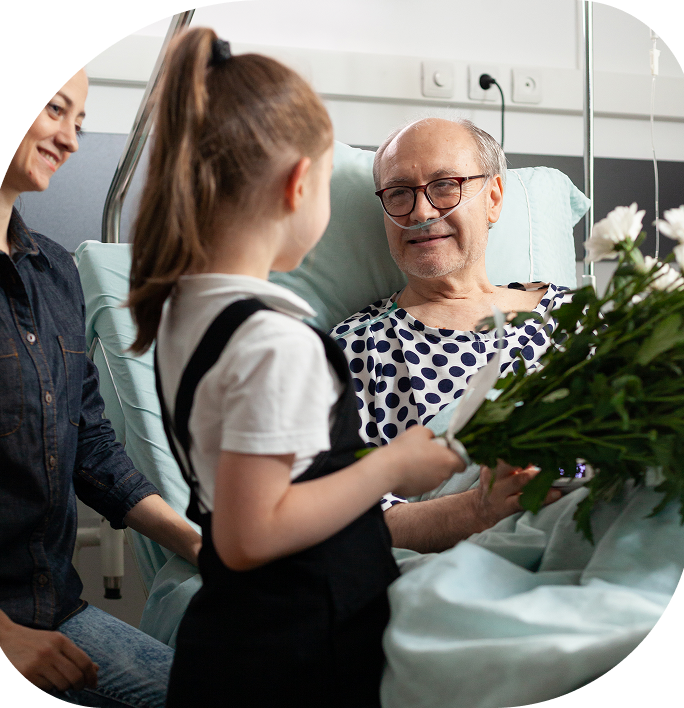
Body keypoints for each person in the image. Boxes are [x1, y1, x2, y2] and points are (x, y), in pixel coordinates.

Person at [126, 28, 461, 708]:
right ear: (300, 183)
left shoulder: (186, 311)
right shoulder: (276, 343)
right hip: (299, 658)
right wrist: (391, 468)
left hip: (241, 642)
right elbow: (253, 533)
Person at [0, 68, 202, 707]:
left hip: (54, 608)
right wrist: (1, 634)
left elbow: (91, 450)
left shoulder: (54, 272)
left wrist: (199, 544)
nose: (72, 139)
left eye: (80, 121)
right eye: (56, 110)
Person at [329, 117, 567, 554]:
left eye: (445, 186)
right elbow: (350, 522)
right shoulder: (357, 348)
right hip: (477, 561)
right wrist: (479, 509)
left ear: (493, 198)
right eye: (399, 193)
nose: (421, 212)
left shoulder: (580, 318)